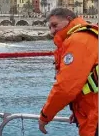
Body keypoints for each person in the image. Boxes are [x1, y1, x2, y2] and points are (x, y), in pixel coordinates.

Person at [38, 8, 98, 136]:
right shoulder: (88, 36)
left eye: (55, 25)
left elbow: (65, 87)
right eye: (49, 27)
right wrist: (77, 110)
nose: (52, 31)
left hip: (95, 116)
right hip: (90, 112)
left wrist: (45, 116)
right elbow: (86, 81)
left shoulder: (78, 41)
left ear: (68, 20)